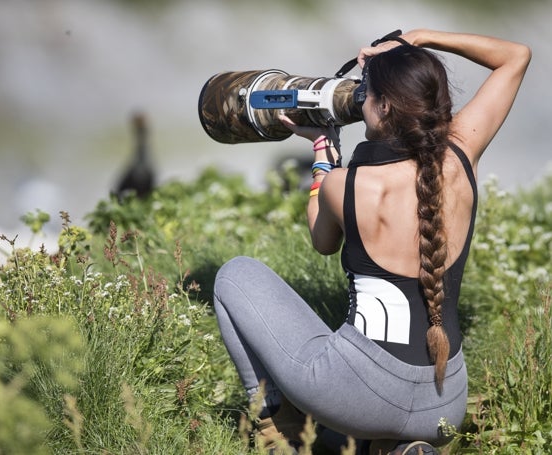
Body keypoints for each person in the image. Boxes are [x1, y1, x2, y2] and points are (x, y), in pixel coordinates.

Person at [212, 29, 531, 455]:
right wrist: (421, 39)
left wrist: (323, 157)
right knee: (365, 421)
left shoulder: (347, 186)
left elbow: (322, 241)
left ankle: (275, 429)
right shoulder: (461, 154)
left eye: (365, 95)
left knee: (235, 275)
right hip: (444, 404)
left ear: (383, 105)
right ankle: (396, 448)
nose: (359, 101)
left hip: (358, 392)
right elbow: (515, 56)